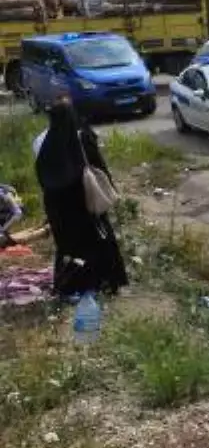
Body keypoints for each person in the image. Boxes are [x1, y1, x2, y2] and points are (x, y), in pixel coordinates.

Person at [33, 96, 129, 297]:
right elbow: (98, 166)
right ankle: (103, 283)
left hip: (57, 207)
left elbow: (42, 176)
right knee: (97, 241)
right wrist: (110, 187)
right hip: (83, 202)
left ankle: (69, 286)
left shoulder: (41, 142)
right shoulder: (81, 138)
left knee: (68, 246)